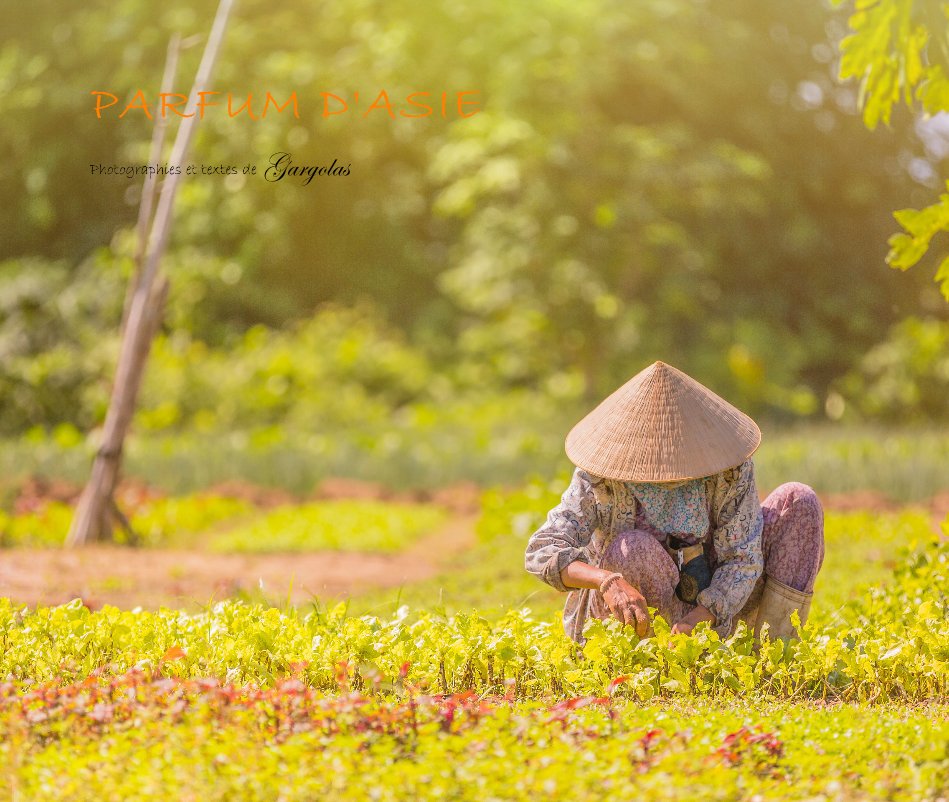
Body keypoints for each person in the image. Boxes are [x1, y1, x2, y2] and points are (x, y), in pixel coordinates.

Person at [524, 361, 824, 644]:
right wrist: (607, 581)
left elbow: (742, 558)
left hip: (713, 614)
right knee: (632, 548)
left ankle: (772, 653)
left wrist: (699, 618)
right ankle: (648, 659)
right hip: (632, 614)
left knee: (798, 500)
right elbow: (542, 551)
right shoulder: (601, 479)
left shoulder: (729, 472)